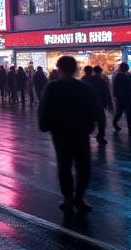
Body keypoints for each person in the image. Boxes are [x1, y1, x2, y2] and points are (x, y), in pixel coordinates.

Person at [39, 56, 99, 213]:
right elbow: (94, 109)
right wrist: (91, 126)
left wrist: (44, 125)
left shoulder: (52, 87)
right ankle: (79, 197)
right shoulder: (84, 87)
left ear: (59, 69)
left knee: (64, 165)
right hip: (80, 132)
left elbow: (44, 108)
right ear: (75, 69)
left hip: (60, 132)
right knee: (83, 166)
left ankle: (68, 198)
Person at [80, 66, 110, 145]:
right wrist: (106, 102)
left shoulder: (83, 80)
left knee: (93, 121)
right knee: (101, 121)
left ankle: (91, 136)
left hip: (89, 105)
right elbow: (105, 92)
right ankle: (100, 136)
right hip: (97, 104)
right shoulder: (98, 80)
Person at [112, 63, 131, 133]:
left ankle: (129, 127)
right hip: (122, 96)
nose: (127, 68)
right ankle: (115, 123)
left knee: (127, 111)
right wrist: (116, 95)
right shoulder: (119, 75)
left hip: (128, 95)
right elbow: (116, 86)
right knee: (120, 111)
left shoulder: (129, 75)